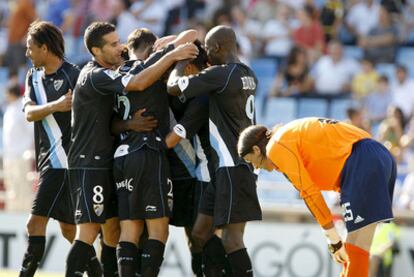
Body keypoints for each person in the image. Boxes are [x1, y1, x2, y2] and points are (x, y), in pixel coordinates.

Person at [65, 20, 198, 276]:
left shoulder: (115, 70)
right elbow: (137, 83)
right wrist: (170, 52)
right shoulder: (95, 74)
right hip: (90, 162)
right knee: (91, 232)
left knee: (114, 231)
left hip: (112, 160)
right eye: (113, 44)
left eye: (120, 41)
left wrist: (127, 122)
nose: (120, 47)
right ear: (95, 51)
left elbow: (111, 122)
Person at [237, 118, 396, 277]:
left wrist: (332, 238)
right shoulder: (285, 136)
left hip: (361, 162)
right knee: (357, 245)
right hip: (378, 156)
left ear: (257, 150)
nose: (256, 167)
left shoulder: (275, 147)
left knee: (357, 245)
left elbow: (309, 192)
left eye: (251, 161)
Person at [168, 25, 262, 276]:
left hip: (233, 167)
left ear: (219, 47)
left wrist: (180, 59)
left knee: (232, 240)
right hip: (224, 169)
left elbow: (173, 87)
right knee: (199, 233)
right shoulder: (247, 73)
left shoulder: (221, 74)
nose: (207, 56)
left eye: (209, 49)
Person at [112, 28, 198, 277]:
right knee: (159, 230)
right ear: (152, 49)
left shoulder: (115, 74)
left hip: (122, 155)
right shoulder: (153, 63)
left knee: (129, 232)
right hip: (148, 153)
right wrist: (166, 47)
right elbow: (191, 33)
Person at [20, 21, 90, 277]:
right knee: (69, 230)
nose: (27, 53)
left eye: (30, 48)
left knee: (34, 223)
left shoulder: (74, 75)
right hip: (48, 162)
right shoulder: (33, 76)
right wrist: (56, 105)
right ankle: (99, 272)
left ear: (45, 48)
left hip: (66, 163)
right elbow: (29, 113)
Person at [3, 81, 34, 212]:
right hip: (9, 156)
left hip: (22, 155)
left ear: (11, 93)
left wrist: (29, 152)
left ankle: (24, 217)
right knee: (12, 189)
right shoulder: (9, 109)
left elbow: (32, 130)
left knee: (23, 189)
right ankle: (13, 215)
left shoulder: (23, 107)